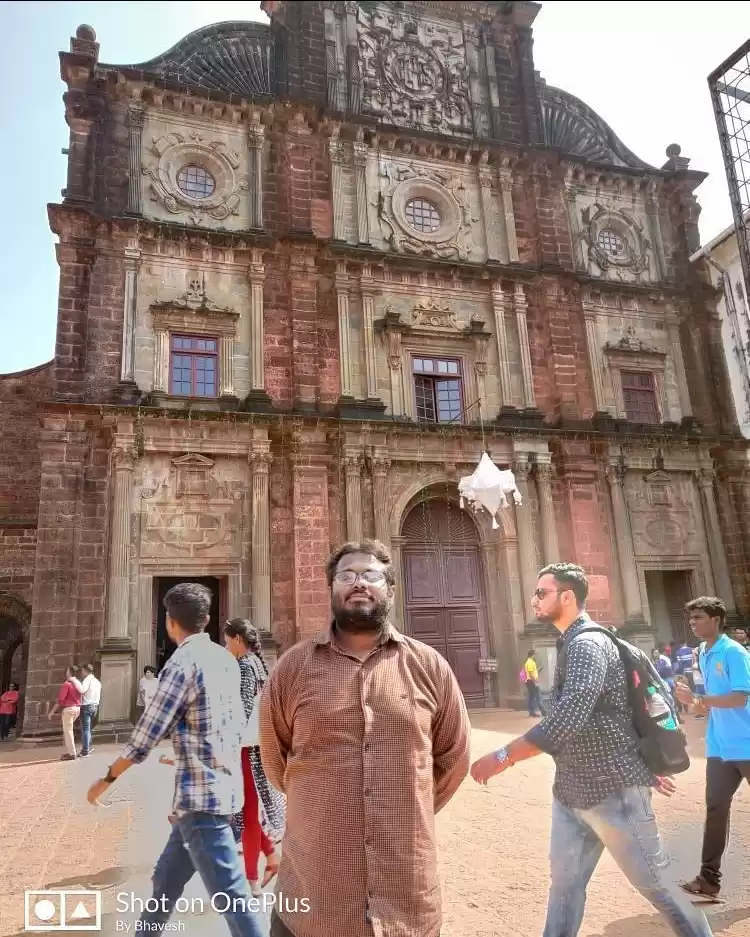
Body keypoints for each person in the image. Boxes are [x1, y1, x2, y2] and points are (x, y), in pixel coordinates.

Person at [470, 562, 712, 937]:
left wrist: (503, 757)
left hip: (614, 791)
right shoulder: (572, 641)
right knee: (565, 889)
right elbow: (609, 712)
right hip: (572, 793)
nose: (533, 599)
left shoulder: (587, 644)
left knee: (659, 886)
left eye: (541, 592)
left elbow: (567, 719)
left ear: (567, 597)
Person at [259, 539, 471, 937]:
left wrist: (406, 806)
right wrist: (325, 804)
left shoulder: (428, 666)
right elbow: (276, 760)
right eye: (347, 576)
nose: (359, 584)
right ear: (331, 588)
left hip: (406, 903)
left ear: (390, 588)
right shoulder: (292, 669)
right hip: (314, 902)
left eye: (371, 575)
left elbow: (453, 757)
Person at [85, 582, 264, 937]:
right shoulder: (224, 660)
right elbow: (228, 725)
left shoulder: (180, 664)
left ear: (169, 622)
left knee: (233, 898)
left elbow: (143, 739)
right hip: (218, 794)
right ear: (208, 619)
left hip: (202, 803)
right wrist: (183, 757)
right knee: (165, 883)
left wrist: (105, 781)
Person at [674, 596, 750, 901]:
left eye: (699, 618)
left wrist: (699, 699)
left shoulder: (733, 652)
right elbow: (710, 702)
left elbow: (739, 698)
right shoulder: (703, 652)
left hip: (746, 743)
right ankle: (708, 880)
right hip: (720, 746)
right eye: (691, 619)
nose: (693, 624)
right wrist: (692, 702)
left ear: (716, 619)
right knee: (716, 810)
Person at [224, 618, 285, 894]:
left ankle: (251, 879)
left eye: (227, 641)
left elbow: (244, 710)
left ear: (237, 639)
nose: (226, 646)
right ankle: (270, 856)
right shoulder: (259, 664)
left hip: (246, 749)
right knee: (246, 809)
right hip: (257, 746)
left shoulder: (244, 666)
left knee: (248, 812)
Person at [48, 665, 83, 760]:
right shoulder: (77, 684)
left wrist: (52, 712)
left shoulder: (67, 684)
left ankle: (72, 753)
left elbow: (60, 700)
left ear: (69, 672)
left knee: (68, 732)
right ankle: (70, 751)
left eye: (67, 670)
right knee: (69, 731)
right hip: (77, 709)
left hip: (69, 709)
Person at [79, 662, 101, 757]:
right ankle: (89, 746)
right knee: (89, 728)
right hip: (95, 706)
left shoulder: (87, 680)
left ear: (85, 670)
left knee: (85, 729)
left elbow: (82, 690)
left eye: (82, 671)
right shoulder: (97, 681)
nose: (81, 673)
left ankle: (85, 750)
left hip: (86, 706)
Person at [524, 649, 545, 717]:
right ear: (533, 654)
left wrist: (538, 670)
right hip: (532, 681)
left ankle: (531, 711)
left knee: (531, 697)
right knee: (538, 696)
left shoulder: (529, 661)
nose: (535, 655)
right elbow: (530, 673)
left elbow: (532, 672)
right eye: (535, 654)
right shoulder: (530, 662)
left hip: (529, 681)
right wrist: (535, 681)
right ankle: (543, 711)